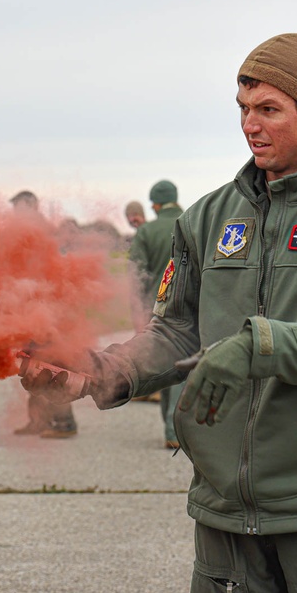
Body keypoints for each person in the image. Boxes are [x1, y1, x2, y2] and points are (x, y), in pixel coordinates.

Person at [22, 33, 297, 593]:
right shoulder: (208, 218)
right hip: (224, 516)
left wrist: (261, 345)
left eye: (269, 109)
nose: (249, 125)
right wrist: (100, 371)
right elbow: (176, 328)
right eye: (242, 108)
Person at [9, 189, 79, 439]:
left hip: (45, 313)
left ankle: (64, 422)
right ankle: (39, 420)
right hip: (31, 312)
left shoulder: (40, 233)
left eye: (17, 209)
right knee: (32, 365)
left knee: (50, 364)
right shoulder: (25, 234)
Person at [128, 180, 185, 448]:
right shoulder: (194, 222)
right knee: (184, 368)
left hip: (157, 309)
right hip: (190, 308)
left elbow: (136, 276)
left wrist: (137, 313)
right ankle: (176, 431)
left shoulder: (146, 232)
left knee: (165, 368)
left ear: (155, 204)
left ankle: (171, 428)